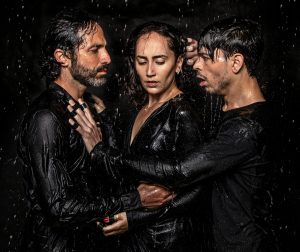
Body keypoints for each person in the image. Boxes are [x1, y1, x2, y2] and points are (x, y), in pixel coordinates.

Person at [71, 17, 279, 251]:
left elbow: (180, 172)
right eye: (142, 61)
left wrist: (103, 154)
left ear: (236, 62)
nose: (198, 65)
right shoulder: (227, 107)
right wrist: (202, 55)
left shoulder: (245, 128)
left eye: (160, 60)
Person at [17, 9, 171, 252]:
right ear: (63, 57)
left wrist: (106, 124)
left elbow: (103, 181)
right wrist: (135, 200)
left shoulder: (90, 108)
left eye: (105, 48)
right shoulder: (46, 117)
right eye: (94, 50)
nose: (107, 58)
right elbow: (60, 210)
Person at [68, 21, 210, 251]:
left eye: (160, 61)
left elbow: (200, 190)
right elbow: (130, 172)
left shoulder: (182, 112)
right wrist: (103, 125)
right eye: (141, 61)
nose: (150, 72)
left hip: (168, 240)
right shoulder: (140, 108)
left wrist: (135, 218)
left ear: (179, 63)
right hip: (137, 240)